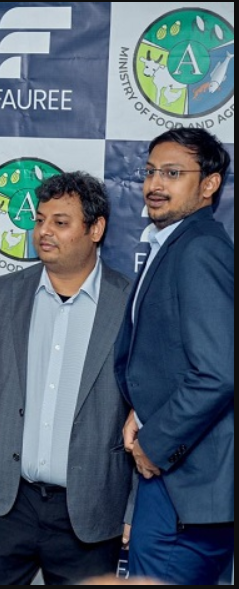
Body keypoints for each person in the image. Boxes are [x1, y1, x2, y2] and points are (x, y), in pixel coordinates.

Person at [0, 171, 134, 584]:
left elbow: (144, 412)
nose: (43, 231)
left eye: (60, 222)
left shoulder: (129, 301)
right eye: (39, 220)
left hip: (89, 511)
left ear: (96, 229)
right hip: (9, 503)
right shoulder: (6, 292)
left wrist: (134, 509)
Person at [115, 128, 234, 585]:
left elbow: (219, 372)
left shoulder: (200, 248)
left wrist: (154, 442)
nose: (154, 185)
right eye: (149, 172)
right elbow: (173, 357)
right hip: (178, 481)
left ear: (209, 184)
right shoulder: (175, 243)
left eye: (172, 173)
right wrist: (139, 410)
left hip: (185, 484)